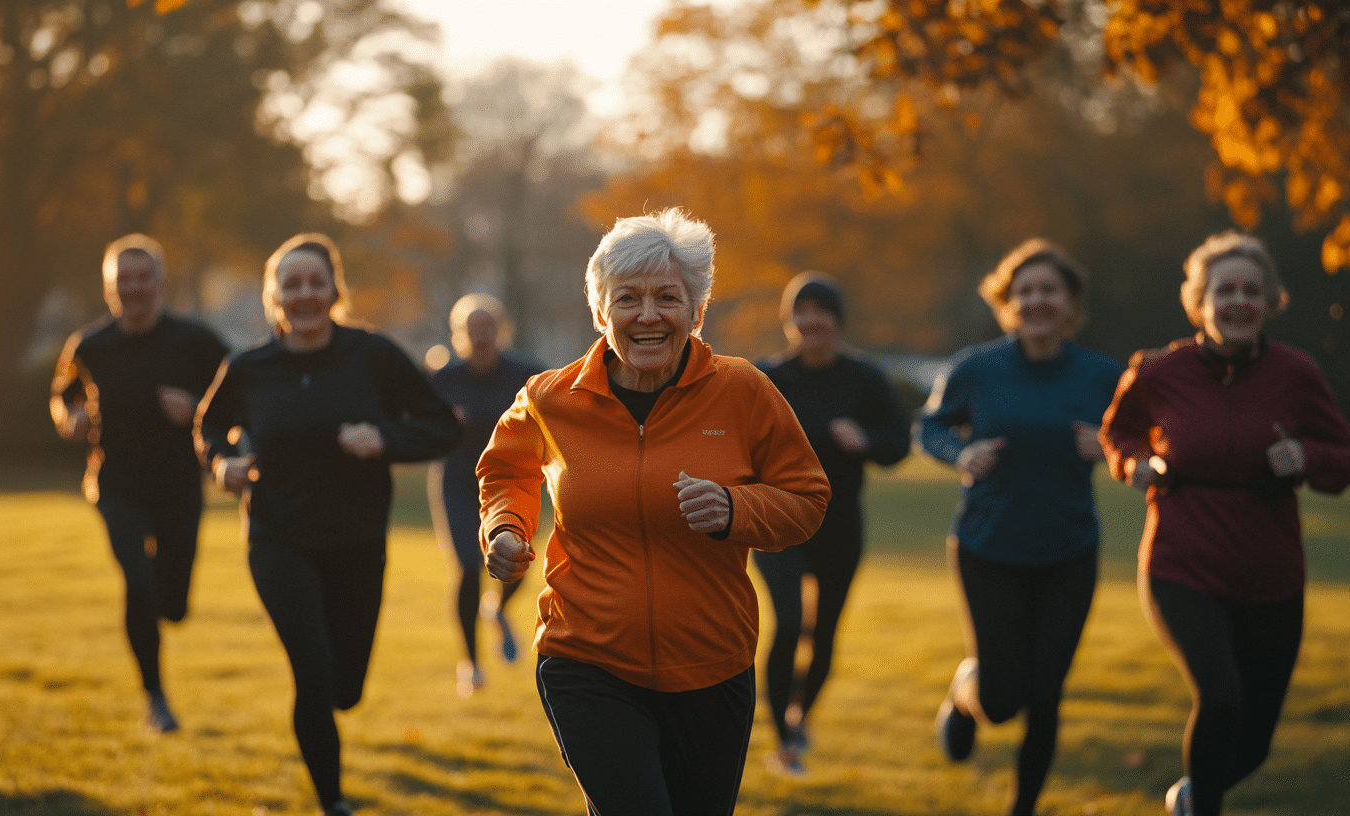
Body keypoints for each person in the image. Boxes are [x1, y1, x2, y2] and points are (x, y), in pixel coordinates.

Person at [477, 208, 831, 816]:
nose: (647, 315)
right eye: (628, 298)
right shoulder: (549, 399)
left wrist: (733, 508)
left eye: (668, 297)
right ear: (600, 312)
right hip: (585, 657)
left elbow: (806, 499)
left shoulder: (743, 391)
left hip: (713, 664)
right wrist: (505, 527)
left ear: (696, 311)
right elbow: (506, 470)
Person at [195, 234, 460, 816]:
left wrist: (384, 439)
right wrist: (222, 462)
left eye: (316, 282)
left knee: (345, 688)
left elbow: (444, 427)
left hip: (358, 542)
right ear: (275, 297)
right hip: (277, 537)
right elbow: (209, 426)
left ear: (335, 291)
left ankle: (336, 723)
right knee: (312, 673)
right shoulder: (249, 368)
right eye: (292, 284)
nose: (305, 294)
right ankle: (332, 801)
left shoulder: (373, 356)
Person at [1100, 232, 1350, 816]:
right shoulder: (1160, 371)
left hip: (1272, 575)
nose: (1238, 301)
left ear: (1269, 301)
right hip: (1181, 563)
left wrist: (1307, 457)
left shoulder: (1297, 374)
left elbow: (1343, 459)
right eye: (1225, 290)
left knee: (1255, 740)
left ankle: (1194, 796)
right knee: (1219, 699)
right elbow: (1118, 432)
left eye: (1251, 290)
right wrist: (1133, 463)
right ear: (1199, 302)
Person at [916, 239, 1123, 816]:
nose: (1036, 301)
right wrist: (960, 455)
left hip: (1069, 550)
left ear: (1070, 303)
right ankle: (966, 694)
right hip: (988, 548)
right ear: (1008, 303)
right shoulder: (976, 369)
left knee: (1047, 695)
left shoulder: (1103, 374)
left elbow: (1142, 439)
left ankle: (1022, 809)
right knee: (1003, 701)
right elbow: (930, 427)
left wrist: (1108, 446)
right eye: (1024, 291)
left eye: (1048, 290)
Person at [50, 234, 230, 734]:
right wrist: (70, 417)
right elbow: (62, 393)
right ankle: (156, 698)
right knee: (139, 581)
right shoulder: (89, 345)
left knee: (172, 604)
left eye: (141, 277)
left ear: (160, 282)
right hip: (115, 484)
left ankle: (165, 617)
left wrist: (197, 409)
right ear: (109, 287)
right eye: (121, 280)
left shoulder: (196, 341)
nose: (132, 288)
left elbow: (240, 394)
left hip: (179, 487)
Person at [753, 272, 910, 775]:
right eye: (802, 311)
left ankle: (802, 717)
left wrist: (865, 439)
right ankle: (784, 737)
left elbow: (898, 444)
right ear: (789, 321)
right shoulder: (768, 377)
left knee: (824, 635)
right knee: (790, 623)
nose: (811, 320)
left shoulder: (864, 378)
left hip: (839, 521)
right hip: (776, 519)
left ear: (837, 321)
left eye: (822, 311)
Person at [426, 293, 544, 697]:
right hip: (458, 482)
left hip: (513, 481)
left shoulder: (524, 373)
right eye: (472, 330)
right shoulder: (445, 377)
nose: (480, 337)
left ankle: (499, 609)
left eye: (487, 328)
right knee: (467, 568)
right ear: (459, 335)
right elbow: (420, 423)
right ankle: (472, 665)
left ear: (500, 331)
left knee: (518, 559)